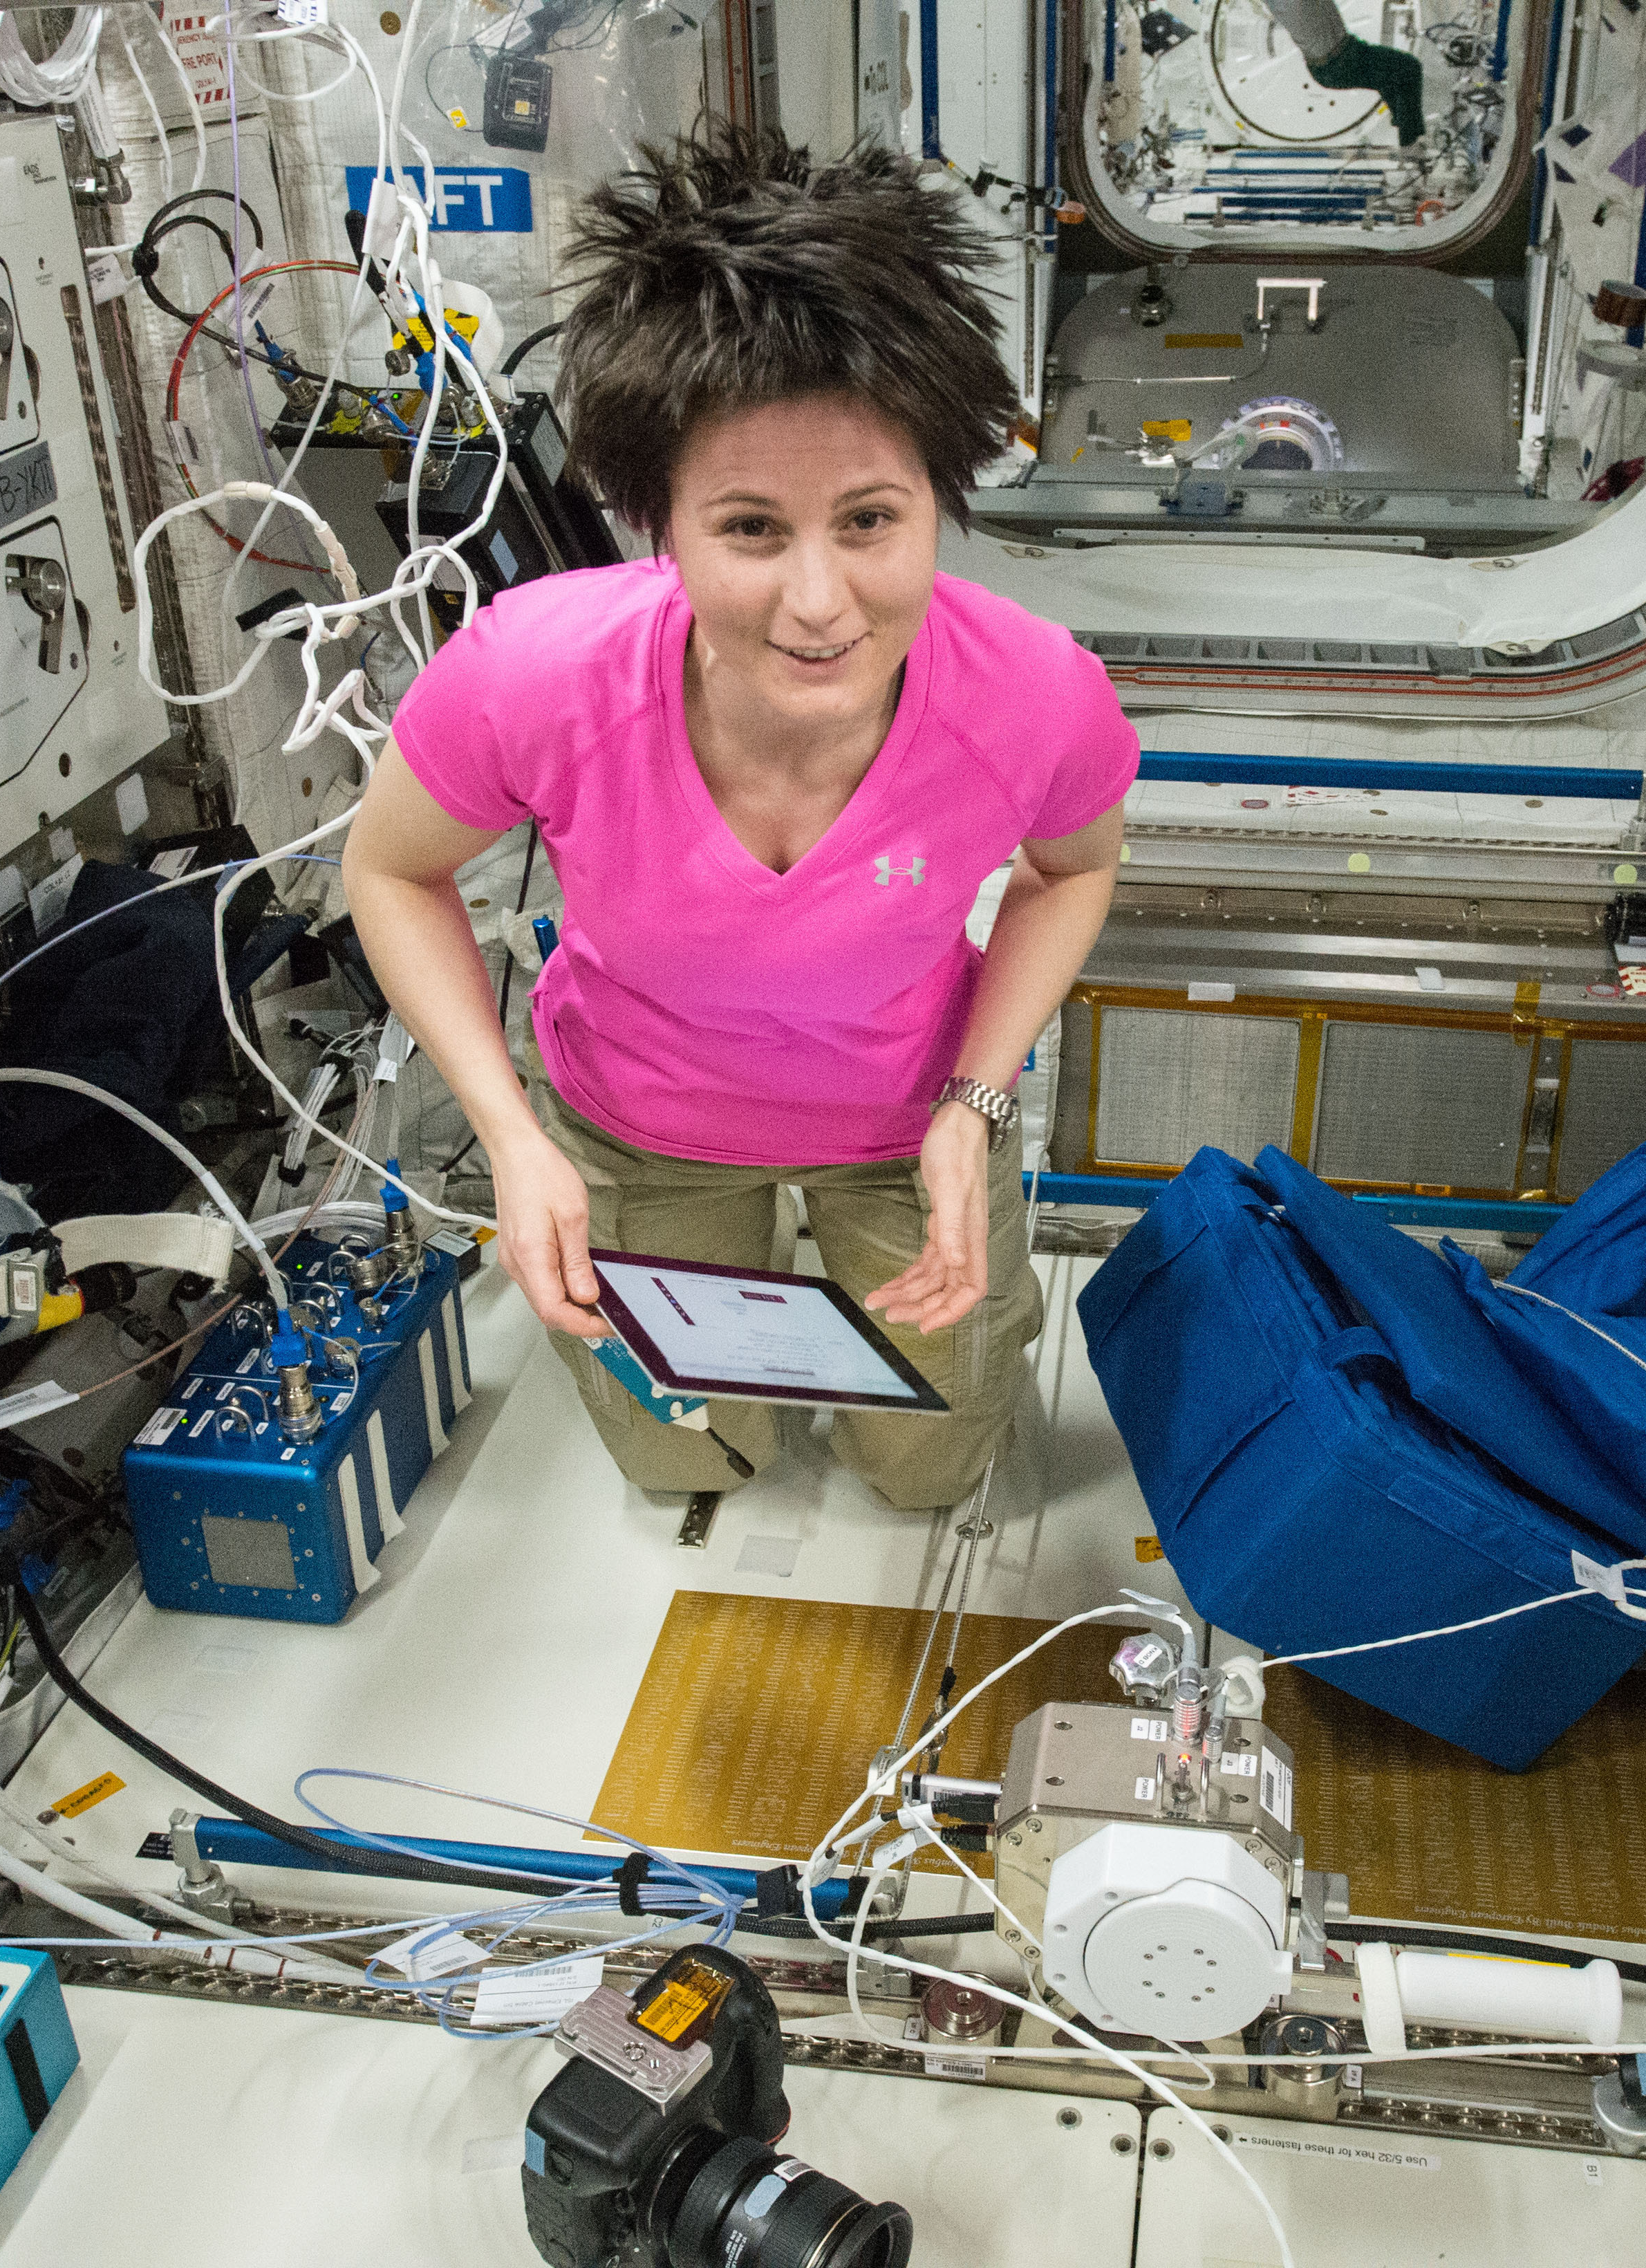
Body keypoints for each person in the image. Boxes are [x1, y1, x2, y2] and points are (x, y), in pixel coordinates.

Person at [341, 121, 1137, 1512]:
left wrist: (975, 1104)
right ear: (662, 521)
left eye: (871, 521)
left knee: (931, 1469)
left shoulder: (1034, 695)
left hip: (908, 1118)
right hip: (637, 1124)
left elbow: (1072, 871)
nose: (819, 604)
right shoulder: (533, 675)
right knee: (689, 1458)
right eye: (752, 529)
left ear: (940, 504)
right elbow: (390, 869)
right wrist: (513, 1138)